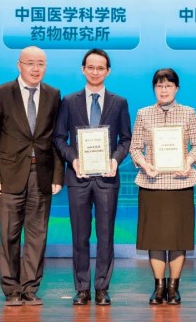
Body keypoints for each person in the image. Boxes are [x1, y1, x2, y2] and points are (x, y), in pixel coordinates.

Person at [0, 46, 64, 306]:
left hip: (42, 174)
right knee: (9, 234)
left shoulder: (53, 94)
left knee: (37, 234)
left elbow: (57, 138)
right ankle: (11, 289)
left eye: (40, 63)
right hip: (9, 175)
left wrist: (58, 175)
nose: (35, 68)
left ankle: (30, 288)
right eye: (30, 63)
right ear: (19, 65)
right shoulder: (2, 93)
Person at [54, 49, 132, 306]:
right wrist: (73, 159)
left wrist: (115, 160)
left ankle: (101, 288)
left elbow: (126, 139)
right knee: (80, 235)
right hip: (78, 177)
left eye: (100, 68)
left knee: (106, 236)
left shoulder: (119, 102)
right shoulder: (69, 101)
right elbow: (59, 138)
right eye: (91, 67)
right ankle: (82, 288)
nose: (95, 72)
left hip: (107, 179)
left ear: (108, 71)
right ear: (83, 69)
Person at [129, 68, 196, 306]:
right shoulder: (143, 114)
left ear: (176, 88)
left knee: (177, 238)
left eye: (168, 86)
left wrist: (188, 162)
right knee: (155, 238)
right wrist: (145, 164)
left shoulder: (188, 112)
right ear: (154, 89)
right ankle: (158, 287)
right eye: (160, 86)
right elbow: (134, 148)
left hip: (180, 182)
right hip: (152, 183)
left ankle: (174, 287)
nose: (164, 90)